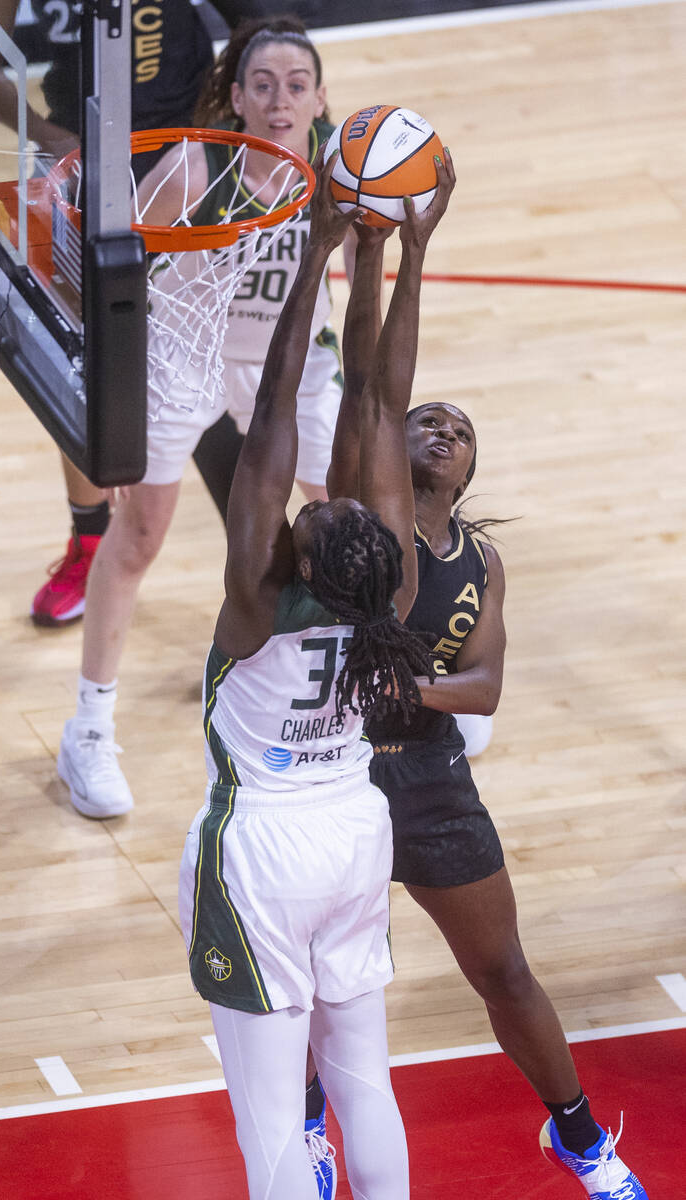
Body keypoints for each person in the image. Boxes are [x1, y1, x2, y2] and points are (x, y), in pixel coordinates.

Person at [177, 147, 456, 1200]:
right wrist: (396, 255)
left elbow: (277, 411)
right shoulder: (385, 596)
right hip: (351, 833)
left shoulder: (256, 600)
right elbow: (377, 414)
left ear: (299, 553)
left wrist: (317, 253)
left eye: (317, 511)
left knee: (268, 1130)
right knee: (363, 1087)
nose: (315, 496)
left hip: (265, 850)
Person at [306, 373, 649, 1194]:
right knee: (319, 979)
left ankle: (581, 1138)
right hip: (336, 767)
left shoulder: (483, 562)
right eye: (426, 420)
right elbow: (372, 399)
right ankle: (309, 1123)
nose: (442, 430)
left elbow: (485, 687)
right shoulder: (366, 523)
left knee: (504, 971)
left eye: (459, 429)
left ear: (468, 473)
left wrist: (404, 686)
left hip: (429, 775)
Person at [56, 19, 354, 819]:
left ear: (320, 97)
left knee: (340, 521)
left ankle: (377, 690)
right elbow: (123, 275)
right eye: (263, 83)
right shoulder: (195, 168)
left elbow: (360, 278)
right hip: (188, 356)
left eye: (297, 84)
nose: (281, 98)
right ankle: (88, 728)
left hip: (292, 366)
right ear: (236, 95)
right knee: (143, 533)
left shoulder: (336, 175)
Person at [0, 0, 266, 625]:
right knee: (86, 362)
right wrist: (53, 139)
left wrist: (235, 116)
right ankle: (90, 540)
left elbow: (259, 28)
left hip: (188, 158)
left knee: (205, 370)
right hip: (85, 166)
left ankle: (259, 567)